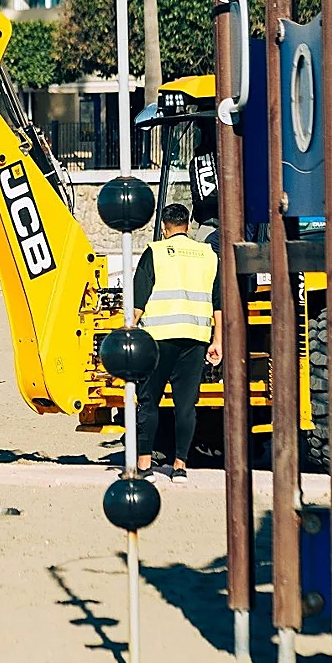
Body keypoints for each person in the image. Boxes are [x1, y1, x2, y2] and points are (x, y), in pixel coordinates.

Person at [133, 203, 223, 484]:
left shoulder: (156, 252)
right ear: (187, 225)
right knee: (186, 406)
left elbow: (138, 301)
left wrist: (128, 334)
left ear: (164, 227)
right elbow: (217, 304)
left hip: (158, 340)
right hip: (195, 340)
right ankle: (180, 466)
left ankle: (145, 466)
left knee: (149, 402)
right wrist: (217, 340)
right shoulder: (208, 255)